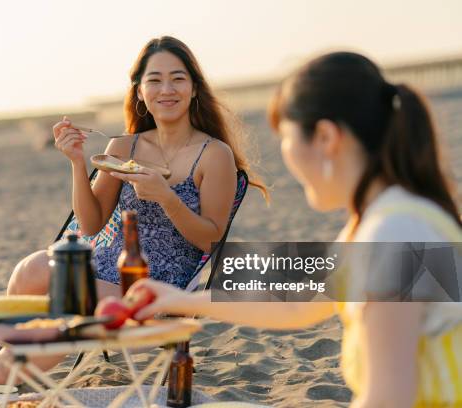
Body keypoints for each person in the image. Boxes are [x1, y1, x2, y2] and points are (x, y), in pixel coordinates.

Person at [0, 36, 266, 400]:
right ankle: (10, 367)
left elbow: (210, 239)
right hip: (105, 259)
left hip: (157, 281)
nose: (165, 89)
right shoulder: (123, 148)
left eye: (177, 78)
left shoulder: (213, 154)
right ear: (139, 92)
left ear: (194, 88)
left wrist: (166, 197)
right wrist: (76, 161)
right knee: (32, 268)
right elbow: (91, 225)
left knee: (70, 297)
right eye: (154, 80)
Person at [129, 51, 462, 407]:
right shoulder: (382, 220)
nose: (286, 156)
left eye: (285, 138)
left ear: (325, 137)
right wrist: (178, 299)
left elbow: (389, 398)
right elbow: (297, 304)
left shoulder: (393, 231)